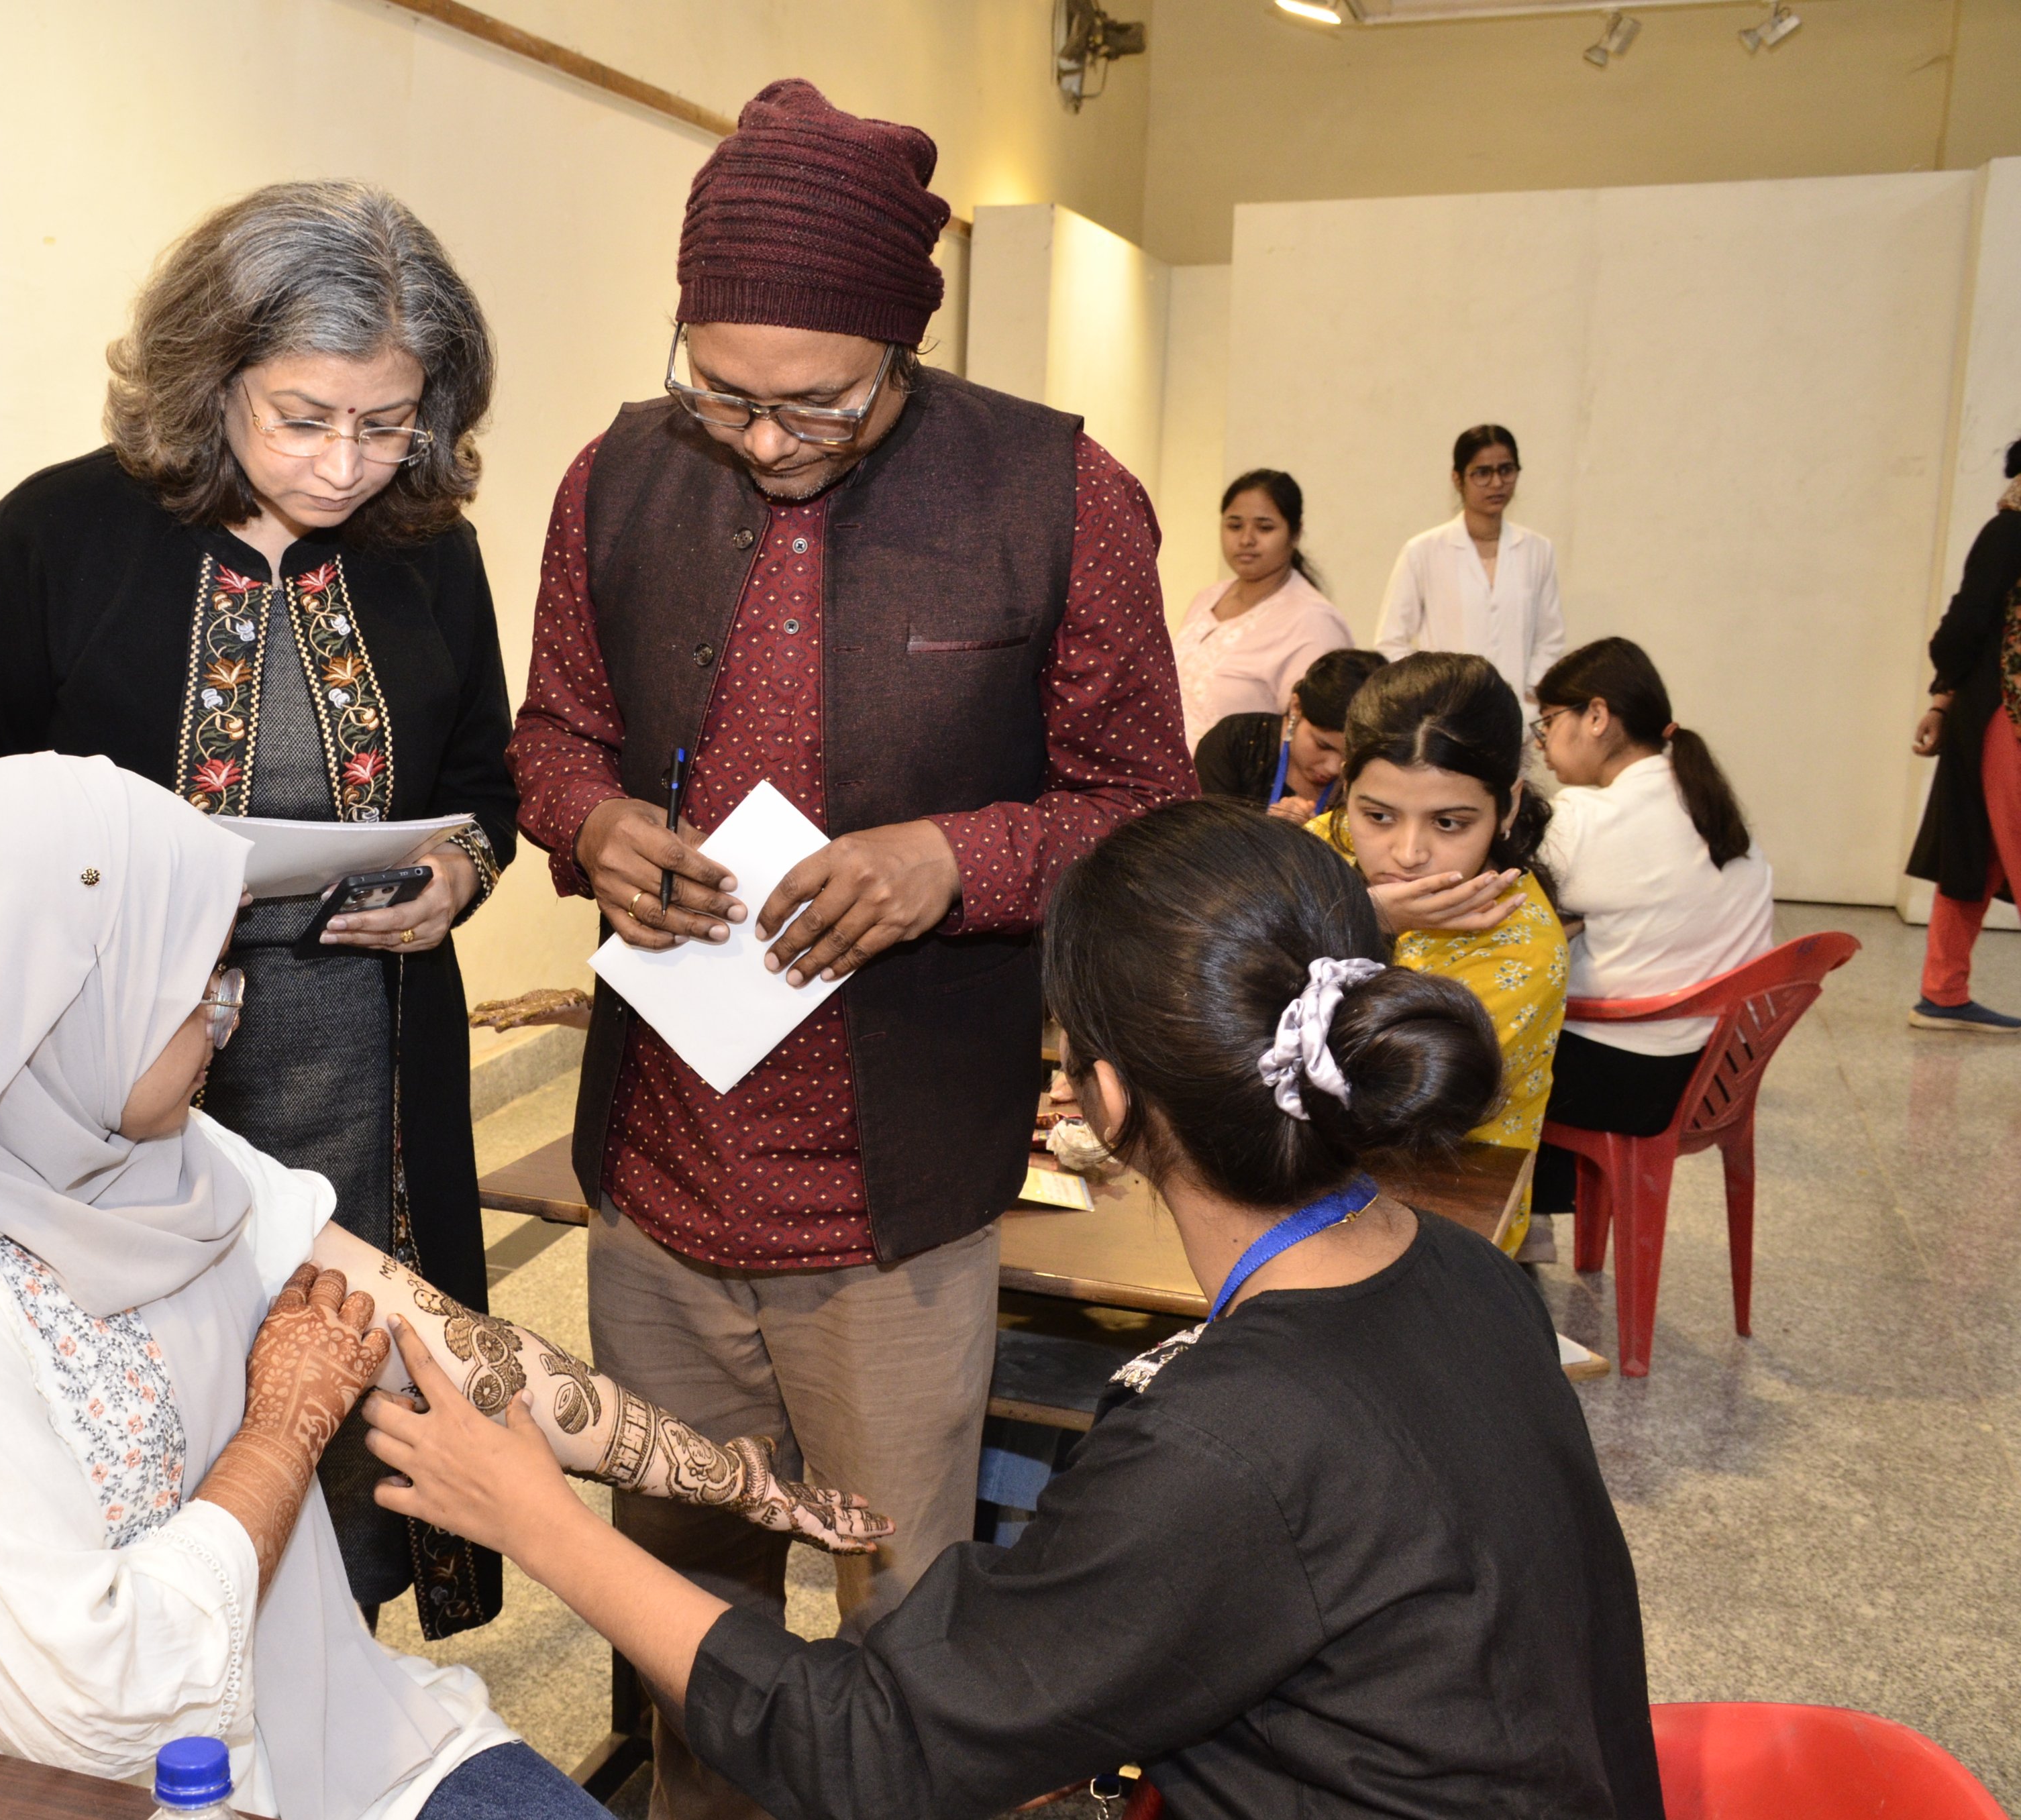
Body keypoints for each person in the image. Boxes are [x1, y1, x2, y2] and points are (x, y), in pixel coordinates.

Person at [368, 799, 1664, 1820]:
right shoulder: (1468, 1276)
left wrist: (539, 1521)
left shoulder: (1227, 1444)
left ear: (1102, 1098)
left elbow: (868, 1743)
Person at [0, 753, 881, 1820]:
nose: (225, 1021)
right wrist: (285, 1425)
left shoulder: (168, 1158)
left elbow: (446, 1346)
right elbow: (101, 1708)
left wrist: (741, 1482)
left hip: (331, 1730)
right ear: (65, 999)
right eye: (197, 985)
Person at [505, 77, 1192, 1820]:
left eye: (818, 403)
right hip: (657, 1179)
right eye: (720, 391)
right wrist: (591, 823)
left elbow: (1144, 809)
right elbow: (552, 734)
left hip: (894, 1208)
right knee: (689, 1626)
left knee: (907, 1637)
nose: (762, 440)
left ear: (909, 341)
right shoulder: (614, 478)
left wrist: (956, 858)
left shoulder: (1056, 494)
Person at [0, 182, 515, 1627]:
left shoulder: (426, 547)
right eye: (303, 418)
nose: (346, 462)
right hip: (118, 1110)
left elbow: (481, 781)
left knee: (353, 1406)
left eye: (387, 424)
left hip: (366, 1081)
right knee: (152, 1463)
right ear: (211, 375)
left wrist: (455, 874)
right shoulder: (61, 533)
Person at [1308, 652, 1567, 1256]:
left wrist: (1365, 921)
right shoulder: (1322, 847)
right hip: (1304, 1179)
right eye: (1377, 815)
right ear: (1346, 788)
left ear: (1508, 807)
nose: (1407, 853)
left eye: (1449, 823)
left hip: (1441, 1222)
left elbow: (1366, 1097)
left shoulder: (1524, 949)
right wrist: (1370, 914)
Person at [1529, 639, 1774, 1220]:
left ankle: (1508, 1219)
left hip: (1632, 1082)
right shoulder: (1713, 807)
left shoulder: (1584, 818)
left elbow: (1512, 912)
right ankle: (1535, 1216)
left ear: (1596, 715)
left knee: (1481, 1042)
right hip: (1717, 1074)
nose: (1541, 744)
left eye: (1547, 722)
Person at [1902, 437, 2021, 1032]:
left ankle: (1944, 992)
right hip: (2005, 713)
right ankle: (1942, 993)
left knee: (1982, 850)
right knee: (1977, 848)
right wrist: (1944, 698)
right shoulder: (2010, 532)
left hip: (1994, 710)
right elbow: (1965, 627)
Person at [1374, 424, 1565, 704]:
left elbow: (1550, 638)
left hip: (1519, 713)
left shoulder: (1538, 550)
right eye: (1482, 473)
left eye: (1506, 470)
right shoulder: (1423, 551)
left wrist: (1529, 689)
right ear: (1458, 479)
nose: (1497, 483)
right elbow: (1391, 641)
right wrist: (1431, 693)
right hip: (1447, 711)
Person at [1170, 469, 1351, 750]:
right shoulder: (1207, 599)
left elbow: (1312, 736)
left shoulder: (1313, 621)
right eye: (1234, 526)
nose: (1246, 540)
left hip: (1240, 777)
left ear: (1295, 533)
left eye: (1265, 528)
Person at [1194, 647, 1387, 822]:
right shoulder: (1235, 742)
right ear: (1296, 708)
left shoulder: (1377, 773)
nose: (1334, 768)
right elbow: (1204, 836)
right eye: (1322, 745)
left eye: (1350, 757)